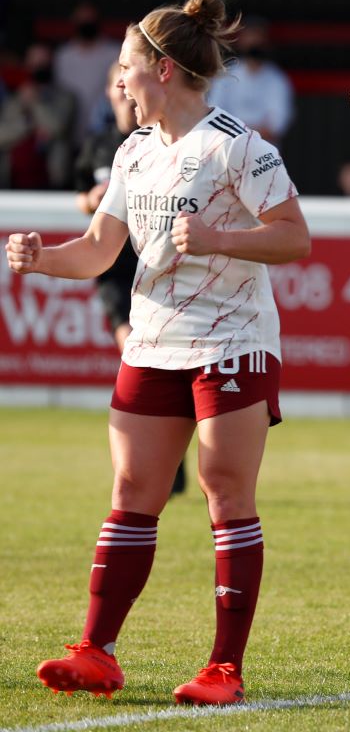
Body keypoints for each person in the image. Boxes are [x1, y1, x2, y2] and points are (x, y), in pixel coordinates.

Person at [6, 0, 310, 706]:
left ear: (164, 70)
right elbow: (97, 250)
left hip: (232, 341)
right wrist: (40, 257)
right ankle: (96, 652)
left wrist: (218, 239)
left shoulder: (238, 145)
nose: (118, 81)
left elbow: (295, 237)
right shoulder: (135, 148)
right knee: (131, 494)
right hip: (152, 343)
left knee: (225, 494)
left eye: (126, 66)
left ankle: (224, 670)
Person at [75, 62, 187, 496]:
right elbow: (80, 192)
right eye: (115, 86)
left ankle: (165, 464)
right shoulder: (101, 146)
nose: (123, 92)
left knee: (154, 358)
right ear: (108, 92)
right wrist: (91, 200)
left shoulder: (159, 142)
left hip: (154, 266)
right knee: (133, 347)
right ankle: (159, 467)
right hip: (113, 271)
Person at [0, 42, 77, 189]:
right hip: (12, 180)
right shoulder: (15, 98)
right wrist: (28, 124)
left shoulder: (66, 97)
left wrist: (35, 102)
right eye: (34, 63)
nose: (38, 67)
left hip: (51, 179)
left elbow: (57, 128)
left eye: (43, 62)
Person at [206, 16, 294, 144]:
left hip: (263, 154)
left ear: (265, 42)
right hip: (228, 150)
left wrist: (239, 132)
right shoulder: (226, 76)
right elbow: (214, 115)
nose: (254, 41)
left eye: (258, 36)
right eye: (250, 36)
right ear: (242, 40)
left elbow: (276, 125)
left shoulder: (277, 79)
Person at [54, 1, 121, 143]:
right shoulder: (64, 56)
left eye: (90, 20)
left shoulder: (114, 53)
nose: (86, 24)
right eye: (82, 20)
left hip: (104, 132)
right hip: (69, 133)